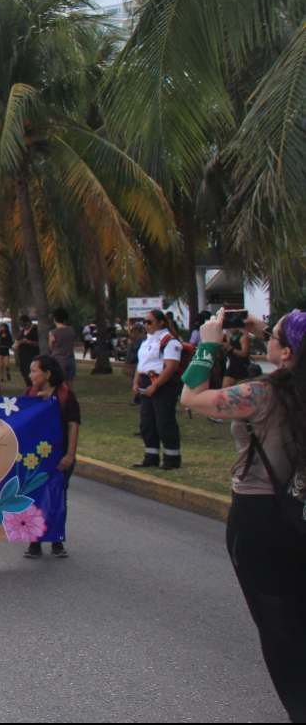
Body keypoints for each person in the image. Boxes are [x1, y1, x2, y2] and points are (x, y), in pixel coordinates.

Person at [179, 309, 306, 723]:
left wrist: (208, 344)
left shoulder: (264, 394)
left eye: (276, 336)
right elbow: (292, 349)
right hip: (299, 508)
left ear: (285, 352)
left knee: (279, 627)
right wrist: (262, 329)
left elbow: (193, 398)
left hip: (261, 519)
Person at [23, 355, 79, 558]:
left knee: (57, 497)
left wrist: (70, 454)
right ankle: (34, 541)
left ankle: (56, 540)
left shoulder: (65, 395)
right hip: (34, 459)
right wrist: (36, 403)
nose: (30, 375)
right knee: (34, 497)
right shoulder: (30, 393)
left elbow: (74, 424)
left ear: (47, 374)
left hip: (60, 457)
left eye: (34, 371)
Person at [133, 309, 184, 470]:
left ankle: (171, 459)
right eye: (144, 322)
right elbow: (141, 365)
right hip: (146, 381)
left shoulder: (170, 341)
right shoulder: (146, 341)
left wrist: (155, 386)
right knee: (146, 422)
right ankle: (150, 456)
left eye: (149, 322)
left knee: (164, 421)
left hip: (163, 383)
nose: (146, 325)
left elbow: (171, 366)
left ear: (161, 322)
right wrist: (136, 384)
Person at [49, 307, 78, 388]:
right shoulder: (71, 330)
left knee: (62, 384)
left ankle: (63, 400)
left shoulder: (53, 332)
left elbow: (51, 347)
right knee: (70, 384)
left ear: (55, 318)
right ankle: (71, 399)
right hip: (70, 360)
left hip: (59, 360)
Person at [223, 322, 253, 388]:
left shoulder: (243, 337)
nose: (230, 329)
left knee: (243, 391)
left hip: (243, 367)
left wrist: (231, 348)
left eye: (232, 327)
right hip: (232, 366)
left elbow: (244, 353)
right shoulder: (230, 337)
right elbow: (230, 354)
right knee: (224, 389)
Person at [14, 314, 40, 389]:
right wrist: (15, 345)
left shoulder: (35, 330)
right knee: (24, 372)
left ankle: (33, 388)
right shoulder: (23, 331)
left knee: (30, 373)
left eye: (24, 324)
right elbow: (17, 342)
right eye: (21, 325)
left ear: (28, 322)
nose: (23, 326)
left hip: (31, 355)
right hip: (23, 357)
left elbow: (38, 343)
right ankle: (29, 388)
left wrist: (28, 342)